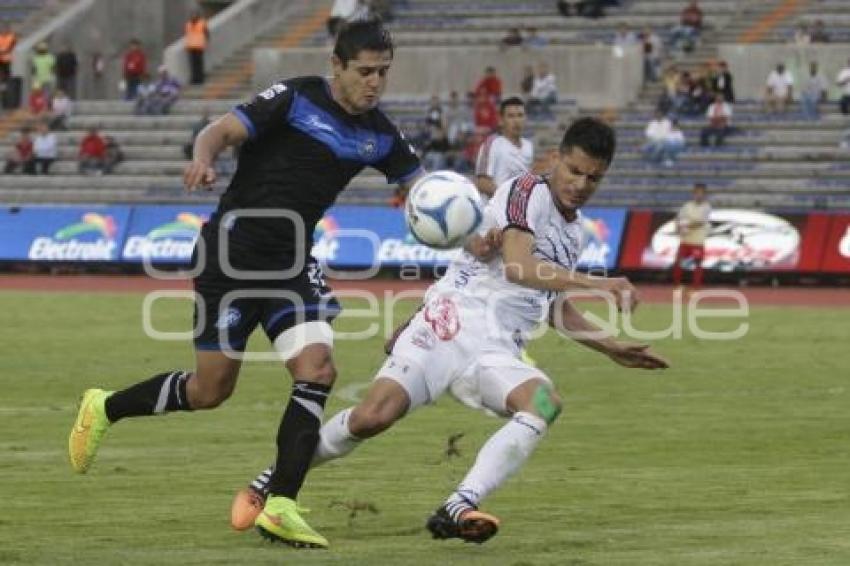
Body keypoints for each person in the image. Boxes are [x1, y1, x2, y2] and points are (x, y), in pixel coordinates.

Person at [68, 19, 423, 550]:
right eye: (365, 71)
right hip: (229, 256)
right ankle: (105, 406)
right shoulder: (296, 97)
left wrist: (453, 208)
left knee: (318, 370)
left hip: (290, 261)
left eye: (383, 73)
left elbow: (422, 187)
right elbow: (221, 130)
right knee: (210, 391)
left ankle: (280, 504)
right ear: (338, 67)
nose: (374, 83)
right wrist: (202, 158)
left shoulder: (381, 134)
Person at [231, 117, 668, 542]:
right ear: (555, 159)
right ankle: (273, 478)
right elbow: (518, 266)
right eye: (575, 171)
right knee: (371, 418)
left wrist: (610, 347)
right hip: (449, 324)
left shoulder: (575, 235)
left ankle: (460, 504)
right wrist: (600, 282)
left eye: (595, 178)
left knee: (543, 403)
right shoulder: (526, 190)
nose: (581, 184)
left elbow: (554, 306)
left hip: (498, 350)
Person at [474, 97, 533, 203]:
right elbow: (482, 182)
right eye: (511, 116)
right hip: (494, 212)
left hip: (518, 214)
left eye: (520, 115)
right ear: (501, 120)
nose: (516, 121)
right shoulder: (492, 144)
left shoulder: (529, 146)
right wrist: (509, 200)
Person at [673, 183, 711, 290]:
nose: (698, 195)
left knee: (697, 264)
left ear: (704, 194)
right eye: (696, 193)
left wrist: (686, 226)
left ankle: (695, 287)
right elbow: (678, 217)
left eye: (701, 193)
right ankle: (677, 285)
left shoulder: (706, 207)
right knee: (678, 262)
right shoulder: (687, 206)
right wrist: (678, 228)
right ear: (693, 194)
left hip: (697, 241)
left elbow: (700, 222)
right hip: (685, 240)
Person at [185, 11, 209, 85]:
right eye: (192, 15)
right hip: (191, 47)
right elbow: (187, 34)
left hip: (199, 46)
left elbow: (207, 34)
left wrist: (206, 42)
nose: (193, 16)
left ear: (198, 16)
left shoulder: (202, 23)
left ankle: (200, 79)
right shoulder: (188, 24)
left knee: (199, 64)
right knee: (193, 64)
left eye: (195, 15)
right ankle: (194, 79)